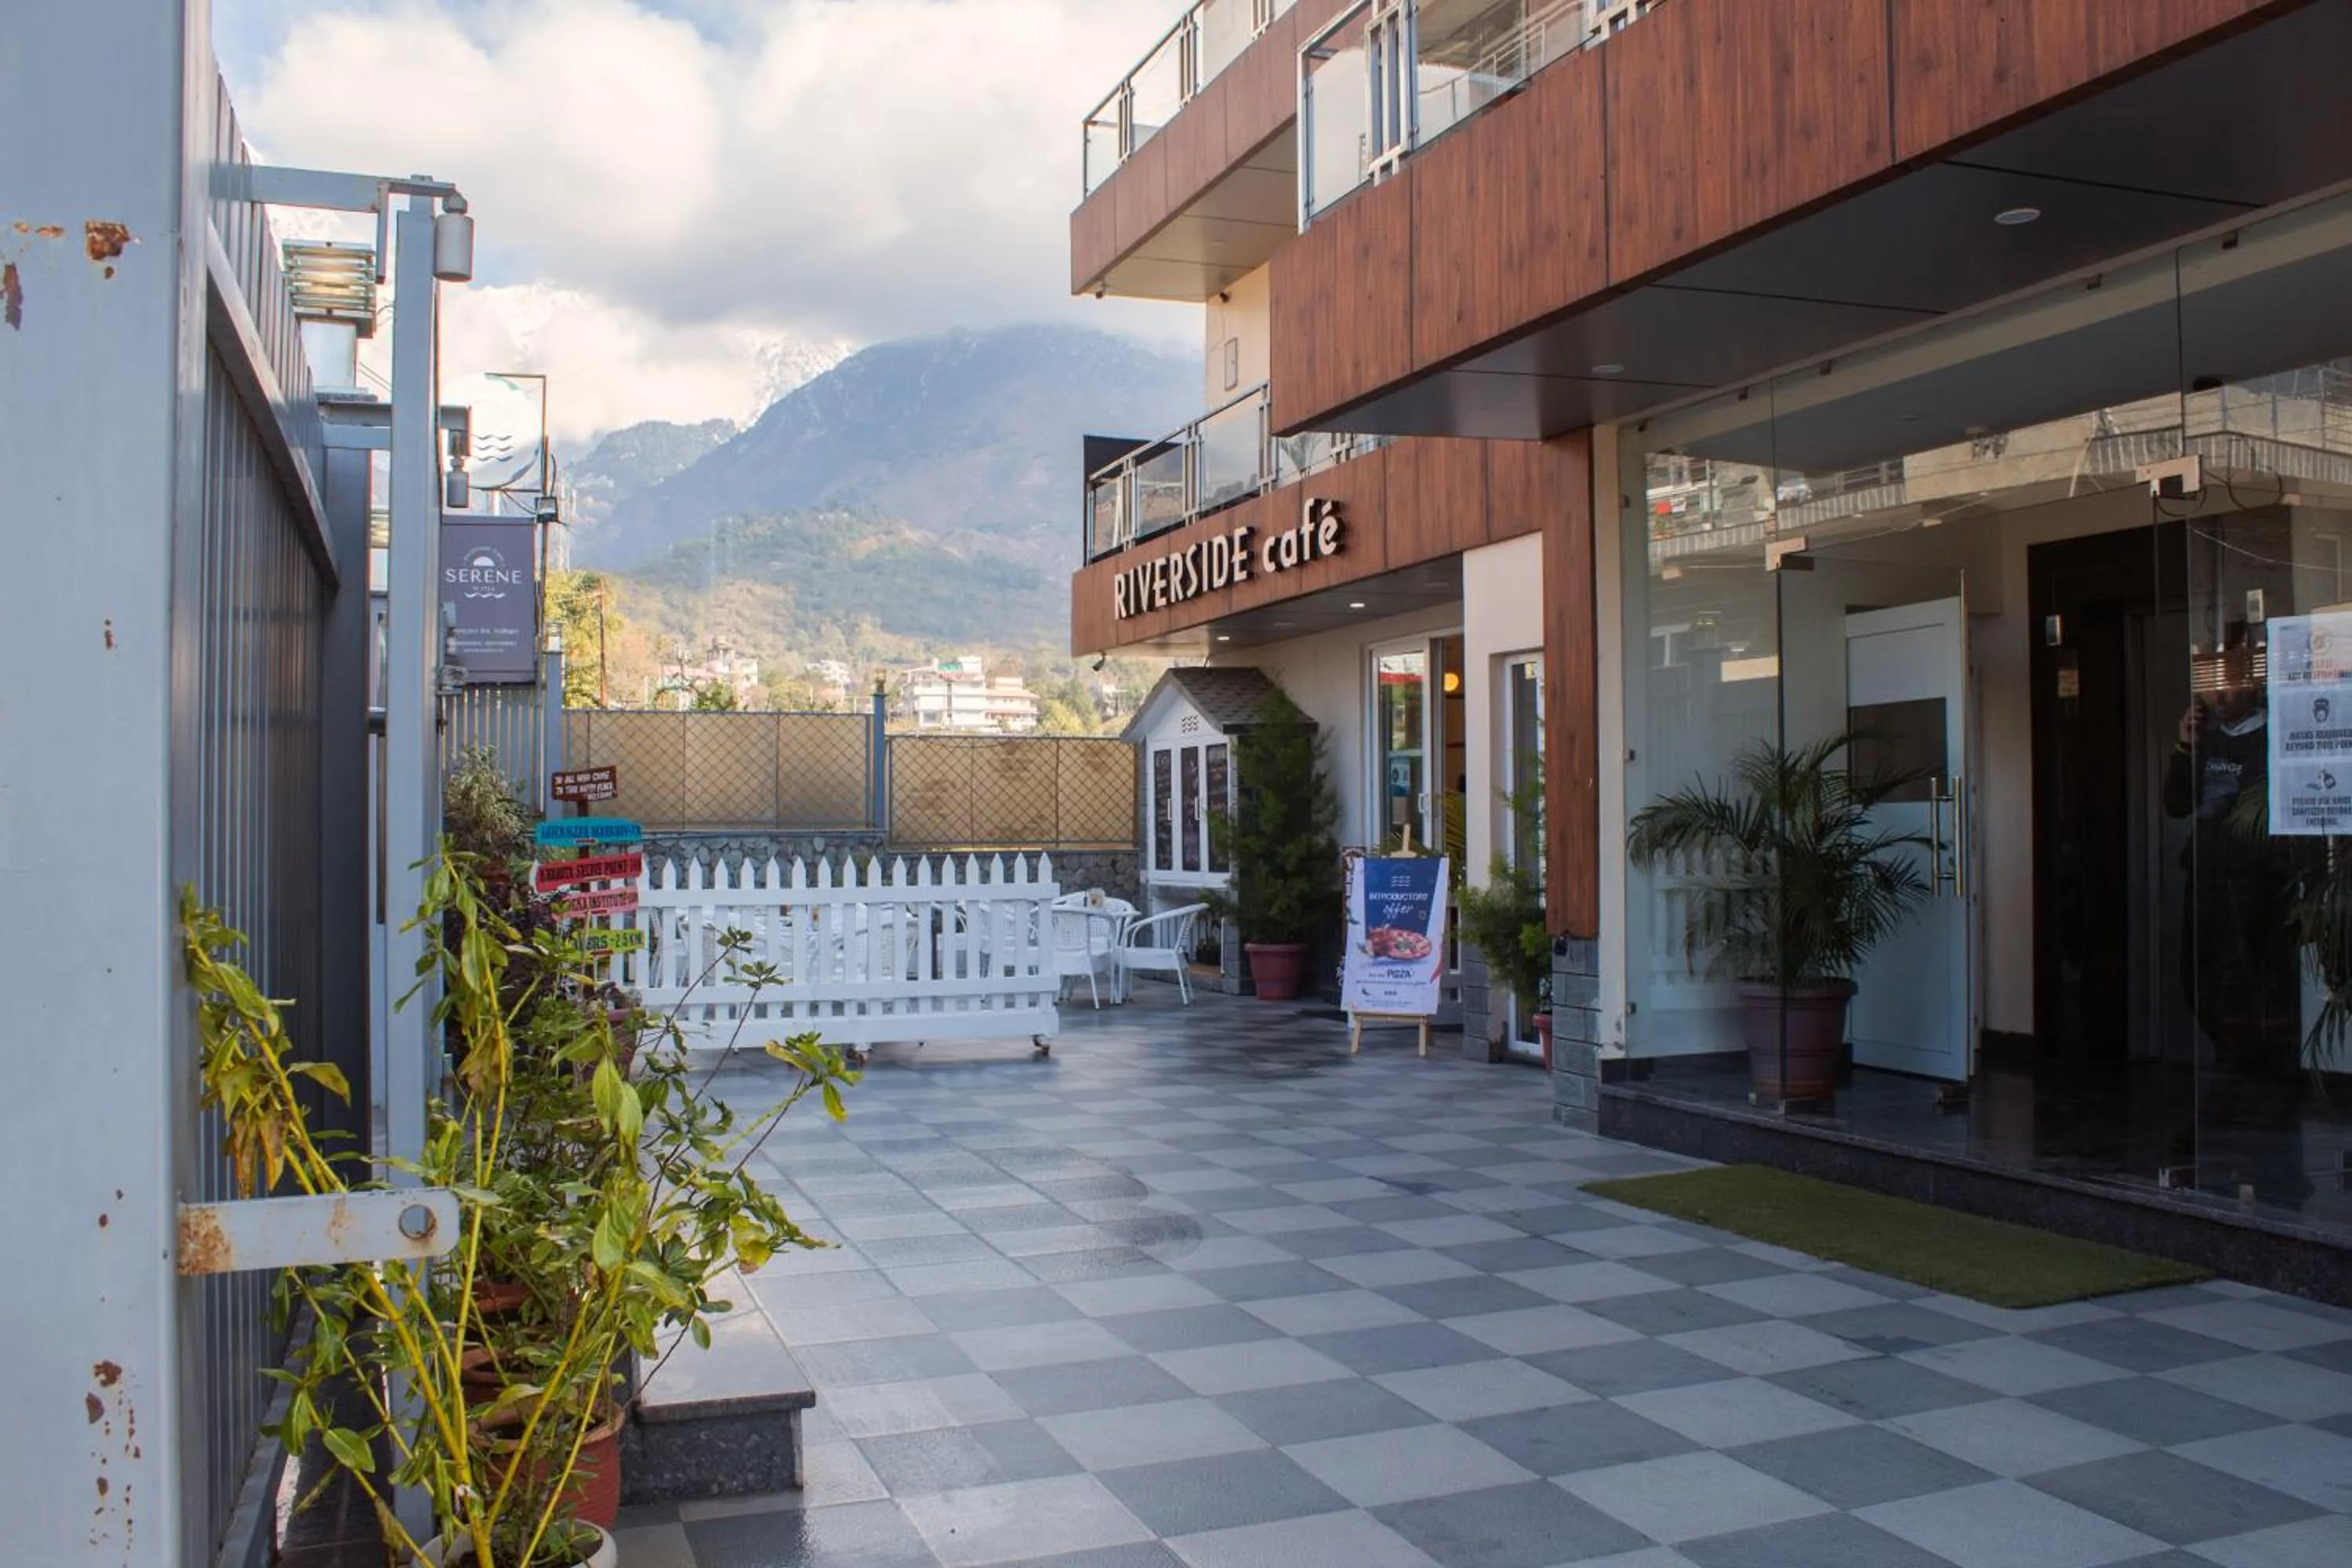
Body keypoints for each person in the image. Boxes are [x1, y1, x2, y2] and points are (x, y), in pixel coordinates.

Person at [2162, 624, 2310, 1205]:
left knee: (2249, 997)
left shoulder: (2273, 736)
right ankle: (2231, 1092)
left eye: (2232, 682)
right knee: (2198, 987)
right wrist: (2183, 746)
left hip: (2258, 886)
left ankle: (2227, 1114)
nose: (2221, 695)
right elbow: (2176, 804)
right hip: (2206, 878)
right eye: (2212, 684)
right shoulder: (2206, 740)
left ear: (2256, 683)